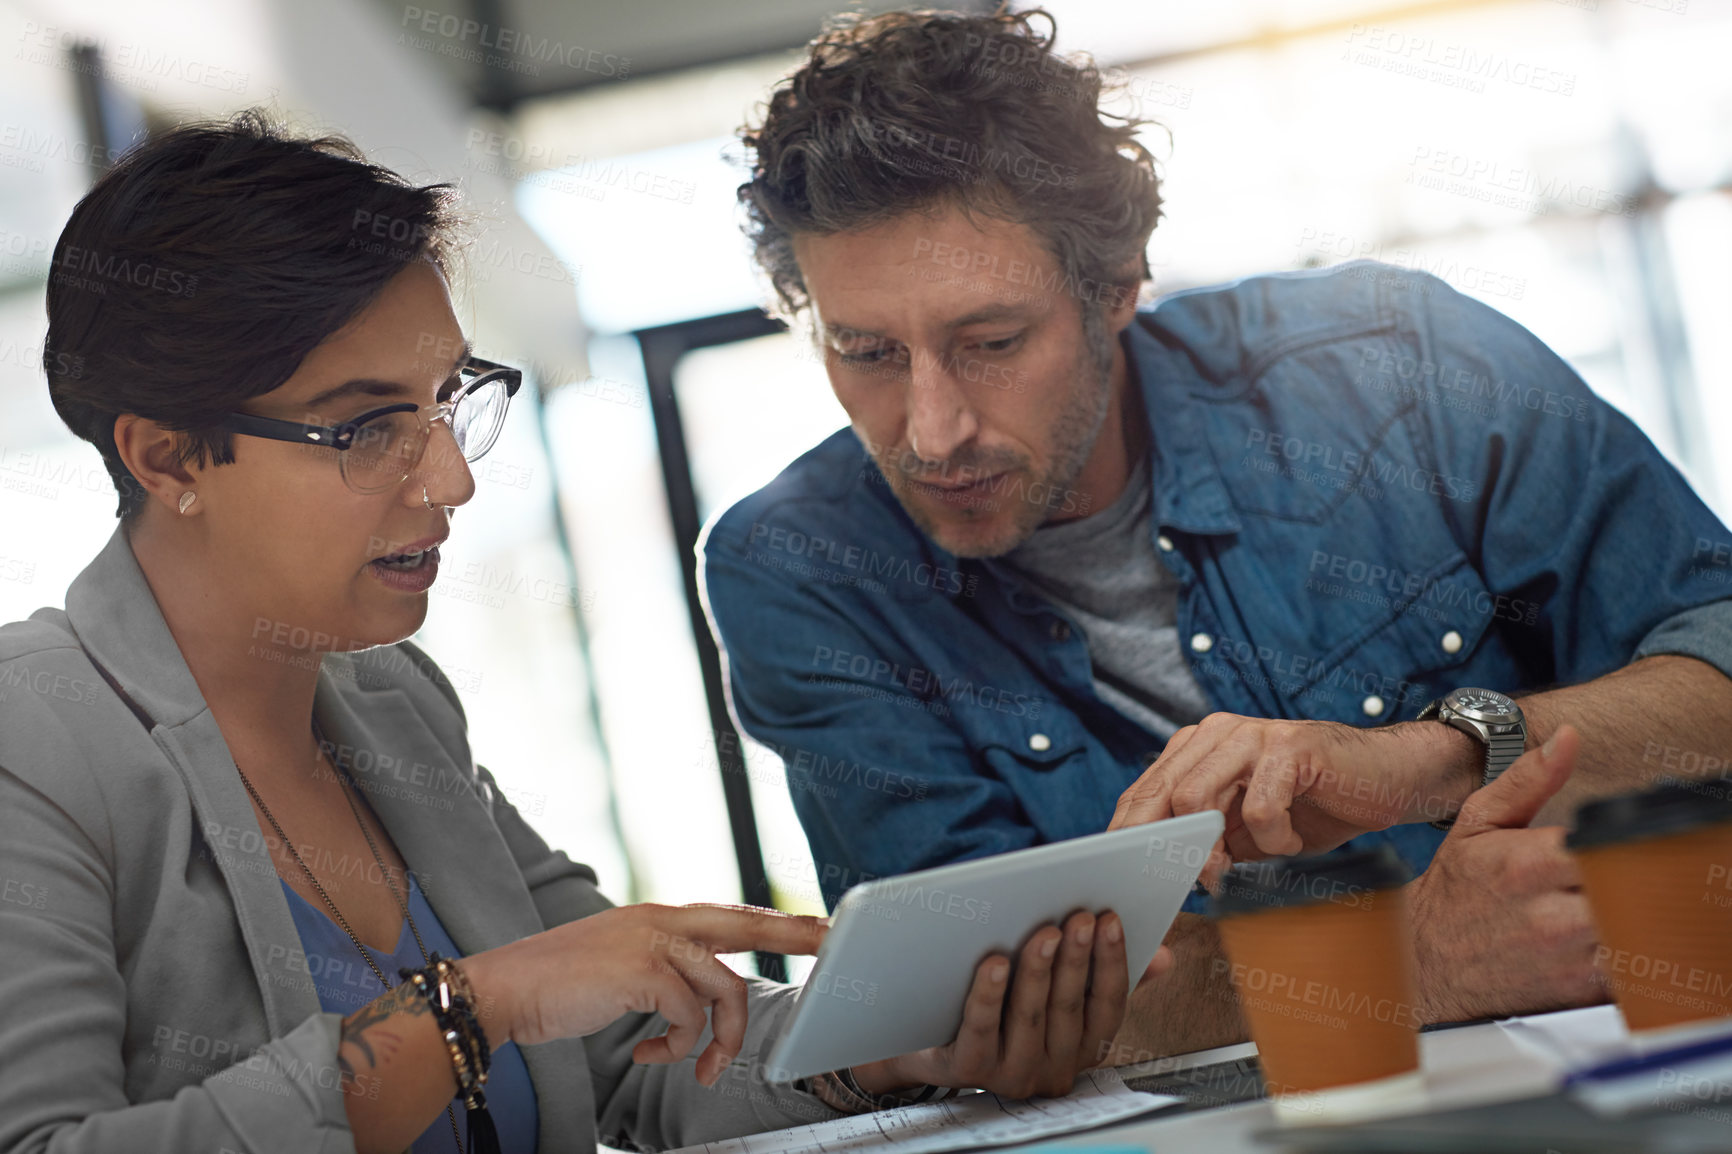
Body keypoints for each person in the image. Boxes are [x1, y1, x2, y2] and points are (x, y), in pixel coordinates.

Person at [0, 112, 1168, 1154]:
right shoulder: (32, 741)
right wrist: (470, 1007)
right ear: (166, 456)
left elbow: (627, 1046)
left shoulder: (392, 701)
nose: (451, 478)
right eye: (364, 429)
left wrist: (899, 1047)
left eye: (447, 403)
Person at [699, 7, 1732, 1059]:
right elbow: (970, 1011)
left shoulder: (1402, 364)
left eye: (992, 339)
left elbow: (1718, 663)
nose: (932, 430)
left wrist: (1428, 756)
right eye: (866, 352)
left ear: (1115, 283)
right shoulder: (797, 570)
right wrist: (1409, 958)